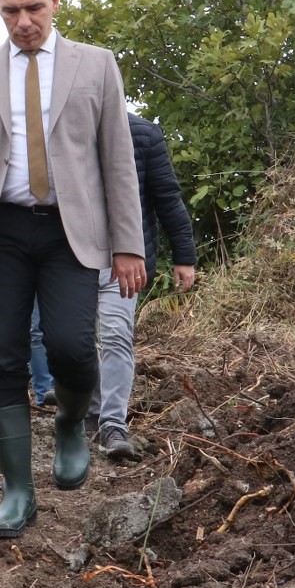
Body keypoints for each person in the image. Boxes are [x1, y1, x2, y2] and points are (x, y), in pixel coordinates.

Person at [0, 0, 145, 538]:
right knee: (1, 357)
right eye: (9, 12)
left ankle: (73, 423)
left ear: (54, 0)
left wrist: (129, 243)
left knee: (74, 346)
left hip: (71, 232)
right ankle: (18, 492)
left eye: (32, 8)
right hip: (0, 232)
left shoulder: (96, 66)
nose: (23, 22)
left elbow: (118, 160)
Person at [92, 113, 198, 460]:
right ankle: (89, 411)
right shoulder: (62, 128)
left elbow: (166, 195)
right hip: (67, 260)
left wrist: (184, 255)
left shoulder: (143, 134)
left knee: (116, 335)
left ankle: (112, 424)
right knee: (72, 341)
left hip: (123, 261)